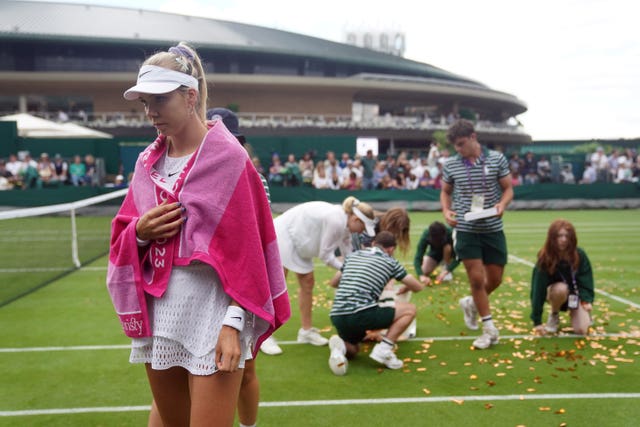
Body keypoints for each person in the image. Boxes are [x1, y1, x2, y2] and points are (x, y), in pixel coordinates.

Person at [106, 42, 290, 427]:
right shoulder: (146, 163)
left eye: (160, 99)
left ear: (190, 96)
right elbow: (125, 231)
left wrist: (234, 323)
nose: (151, 112)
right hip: (160, 312)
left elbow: (250, 253)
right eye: (144, 103)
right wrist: (139, 232)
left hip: (214, 313)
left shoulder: (230, 159)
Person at [268, 196, 377, 354]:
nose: (362, 232)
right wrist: (348, 270)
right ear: (355, 219)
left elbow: (347, 248)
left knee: (307, 283)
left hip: (302, 241)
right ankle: (264, 335)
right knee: (277, 287)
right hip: (284, 236)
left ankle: (306, 331)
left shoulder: (346, 224)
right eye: (363, 227)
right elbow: (326, 256)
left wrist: (354, 266)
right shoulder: (336, 220)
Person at [440, 119, 513, 350]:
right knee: (476, 279)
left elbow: (508, 188)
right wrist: (446, 210)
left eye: (461, 144)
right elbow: (445, 192)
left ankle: (471, 303)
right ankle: (488, 328)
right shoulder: (451, 164)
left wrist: (502, 205)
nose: (458, 150)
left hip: (492, 227)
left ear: (473, 136)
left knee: (495, 279)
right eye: (455, 146)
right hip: (466, 228)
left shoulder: (496, 159)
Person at [327, 231, 425, 375]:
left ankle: (339, 349)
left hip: (337, 314)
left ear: (373, 243)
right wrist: (408, 286)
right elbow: (417, 287)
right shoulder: (390, 261)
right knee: (410, 309)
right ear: (391, 249)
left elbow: (334, 283)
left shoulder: (353, 256)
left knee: (353, 350)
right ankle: (384, 350)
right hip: (361, 313)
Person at [530, 219, 594, 335]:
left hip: (574, 296)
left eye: (567, 236)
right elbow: (537, 290)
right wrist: (537, 321)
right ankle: (554, 314)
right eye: (559, 236)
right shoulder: (545, 258)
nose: (563, 240)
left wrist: (586, 300)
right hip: (555, 293)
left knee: (581, 330)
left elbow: (586, 280)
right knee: (561, 288)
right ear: (552, 238)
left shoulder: (579, 255)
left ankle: (579, 312)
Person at [413, 221, 460, 285]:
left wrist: (447, 270)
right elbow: (418, 257)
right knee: (424, 271)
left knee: (447, 247)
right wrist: (421, 276)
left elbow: (459, 256)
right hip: (434, 254)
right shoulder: (426, 235)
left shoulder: (451, 233)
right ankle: (430, 262)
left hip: (450, 254)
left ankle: (445, 267)